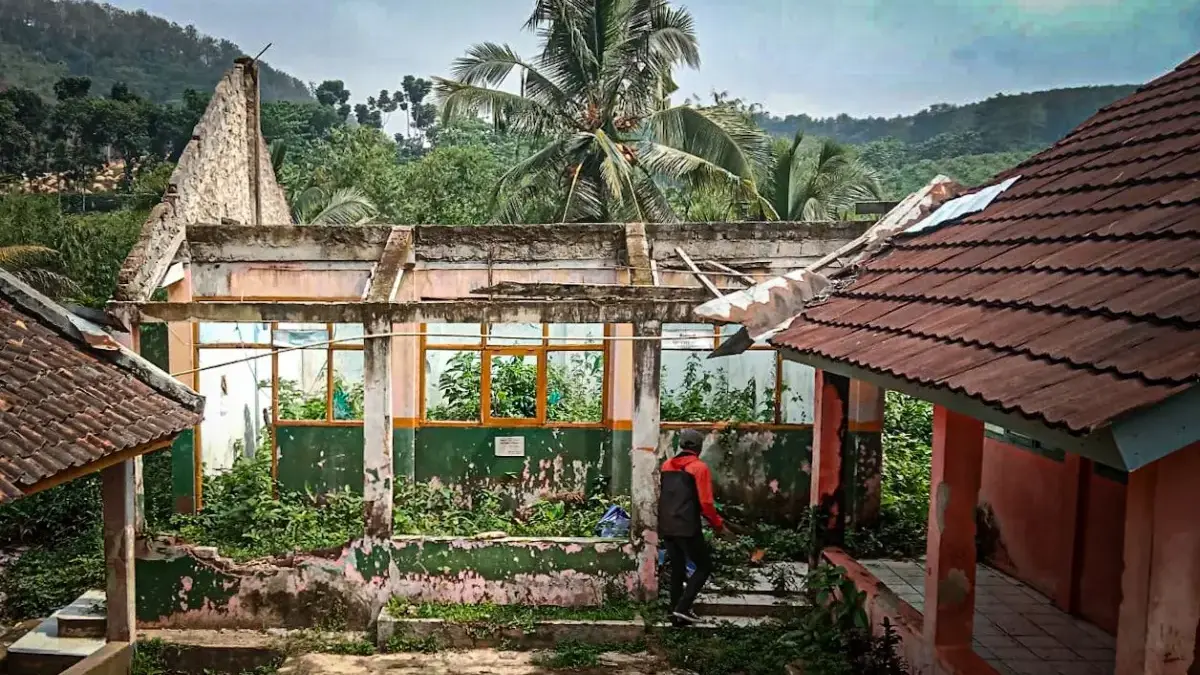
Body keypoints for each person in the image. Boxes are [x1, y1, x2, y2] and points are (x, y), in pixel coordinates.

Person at [658, 428, 732, 626]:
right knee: (704, 566)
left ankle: (674, 613)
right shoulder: (699, 467)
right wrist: (718, 525)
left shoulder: (667, 465)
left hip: (666, 525)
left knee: (677, 568)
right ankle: (682, 608)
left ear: (681, 444)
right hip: (687, 527)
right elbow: (706, 503)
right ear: (699, 447)